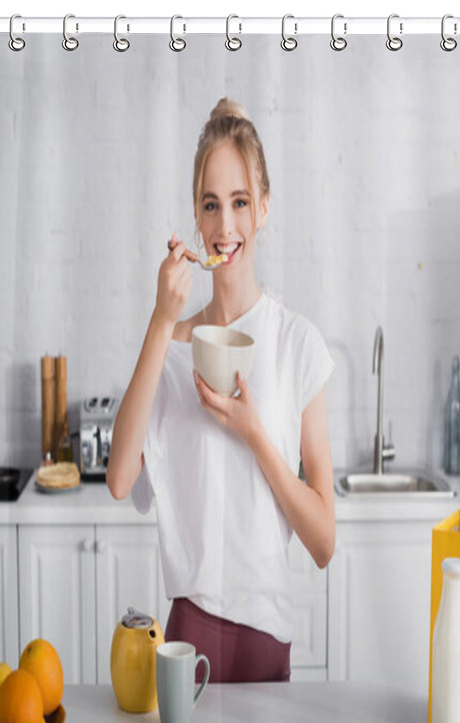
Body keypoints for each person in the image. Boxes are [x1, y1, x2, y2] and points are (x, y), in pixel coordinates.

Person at [107, 98, 335, 683]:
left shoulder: (296, 345)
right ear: (195, 215)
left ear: (263, 209)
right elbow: (119, 479)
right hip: (187, 630)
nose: (225, 225)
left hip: (267, 639)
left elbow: (323, 542)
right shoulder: (174, 341)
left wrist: (255, 434)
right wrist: (161, 322)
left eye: (239, 203)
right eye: (211, 205)